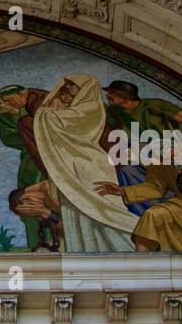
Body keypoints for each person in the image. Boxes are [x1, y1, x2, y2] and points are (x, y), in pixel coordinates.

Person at [32, 74, 138, 251]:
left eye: (72, 85)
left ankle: (123, 247)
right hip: (71, 163)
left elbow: (59, 122)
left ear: (85, 88)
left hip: (89, 164)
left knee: (102, 208)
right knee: (76, 208)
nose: (67, 88)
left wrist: (45, 111)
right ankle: (83, 247)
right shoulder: (73, 107)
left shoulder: (90, 107)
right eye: (66, 85)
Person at [0, 84, 50, 248]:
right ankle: (37, 244)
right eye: (4, 103)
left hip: (55, 160)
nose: (8, 105)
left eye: (9, 101)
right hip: (30, 160)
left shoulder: (43, 102)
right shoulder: (5, 114)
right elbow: (8, 138)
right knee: (26, 201)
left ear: (22, 95)